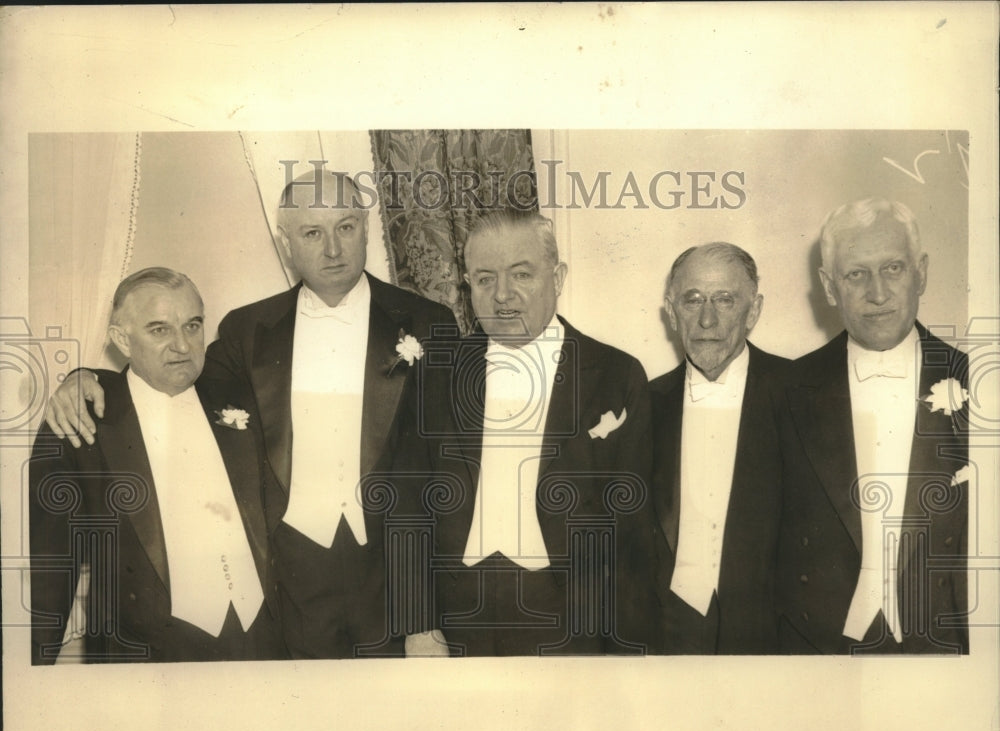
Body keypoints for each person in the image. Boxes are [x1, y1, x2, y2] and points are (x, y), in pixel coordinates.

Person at [42, 171, 457, 658]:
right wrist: (84, 378)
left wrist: (423, 616)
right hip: (288, 592)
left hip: (393, 586)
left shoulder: (429, 323)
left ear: (366, 228)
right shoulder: (247, 331)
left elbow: (446, 477)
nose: (332, 250)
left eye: (345, 227)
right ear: (286, 244)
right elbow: (171, 373)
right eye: (311, 233)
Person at [415, 209, 660, 656]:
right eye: (485, 280)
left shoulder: (615, 374)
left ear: (558, 276)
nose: (503, 295)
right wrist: (418, 624)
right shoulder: (437, 370)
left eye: (521, 274)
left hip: (570, 615)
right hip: (457, 616)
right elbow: (409, 500)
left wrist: (628, 653)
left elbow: (633, 532)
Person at [30, 268, 285, 663]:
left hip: (260, 644)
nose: (182, 345)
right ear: (121, 339)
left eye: (192, 325)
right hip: (146, 658)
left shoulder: (239, 398)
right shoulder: (81, 420)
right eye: (159, 330)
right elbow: (48, 571)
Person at [774, 198, 969, 655]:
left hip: (944, 653)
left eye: (894, 269)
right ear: (828, 286)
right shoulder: (783, 391)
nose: (877, 293)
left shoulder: (981, 386)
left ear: (921, 272)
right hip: (816, 652)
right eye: (856, 274)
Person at [647, 242, 788, 654]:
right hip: (666, 635)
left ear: (754, 310)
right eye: (692, 300)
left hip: (768, 638)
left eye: (725, 300)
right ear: (671, 312)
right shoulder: (642, 404)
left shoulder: (800, 394)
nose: (707, 319)